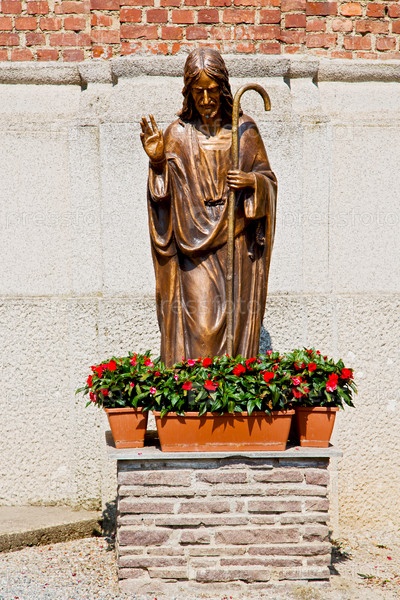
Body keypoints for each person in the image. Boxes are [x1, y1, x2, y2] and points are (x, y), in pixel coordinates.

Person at [140, 48, 277, 366]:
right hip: (193, 247)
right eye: (198, 92)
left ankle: (233, 391)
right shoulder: (177, 134)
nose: (205, 100)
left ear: (223, 89)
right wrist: (158, 163)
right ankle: (197, 394)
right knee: (203, 331)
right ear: (188, 93)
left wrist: (252, 182)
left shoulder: (244, 131)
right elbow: (162, 199)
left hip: (236, 241)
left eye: (212, 90)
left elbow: (268, 180)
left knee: (236, 327)